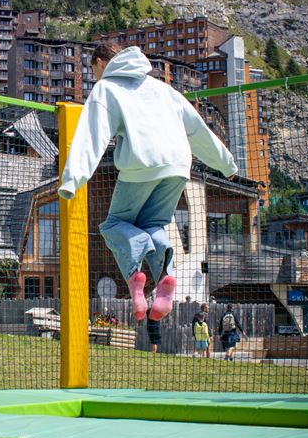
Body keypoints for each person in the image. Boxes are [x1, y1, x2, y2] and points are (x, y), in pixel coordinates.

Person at [58, 42, 238, 323]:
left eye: (94, 70)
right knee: (153, 225)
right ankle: (165, 277)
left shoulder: (107, 89)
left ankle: (135, 277)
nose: (95, 77)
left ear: (102, 63)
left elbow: (92, 134)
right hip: (178, 166)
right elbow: (198, 130)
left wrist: (72, 178)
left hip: (141, 165)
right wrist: (227, 165)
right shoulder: (164, 90)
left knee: (114, 224)